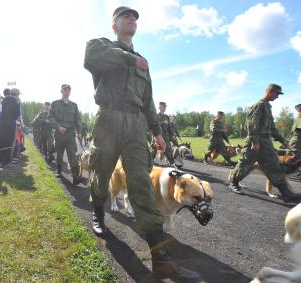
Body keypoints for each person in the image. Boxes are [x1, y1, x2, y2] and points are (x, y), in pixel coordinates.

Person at [84, 7, 202, 282]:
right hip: (109, 119)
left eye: (135, 18)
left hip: (137, 125)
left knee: (141, 184)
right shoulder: (100, 46)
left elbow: (148, 99)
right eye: (126, 17)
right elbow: (91, 58)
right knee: (101, 174)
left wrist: (157, 131)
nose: (132, 20)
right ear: (115, 26)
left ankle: (161, 260)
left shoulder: (143, 61)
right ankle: (98, 213)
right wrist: (128, 60)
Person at [228, 84, 301, 203]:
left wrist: (282, 140)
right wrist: (255, 141)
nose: (277, 97)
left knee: (274, 166)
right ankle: (233, 183)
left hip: (266, 142)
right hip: (254, 141)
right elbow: (251, 124)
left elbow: (272, 128)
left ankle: (286, 193)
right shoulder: (258, 105)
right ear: (270, 92)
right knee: (245, 163)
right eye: (277, 94)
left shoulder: (267, 107)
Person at [49, 84, 86, 185]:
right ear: (61, 91)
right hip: (59, 134)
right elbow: (50, 118)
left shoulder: (74, 105)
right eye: (65, 90)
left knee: (72, 155)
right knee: (59, 154)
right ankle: (59, 171)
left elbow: (78, 119)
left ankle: (75, 177)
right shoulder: (55, 104)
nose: (67, 92)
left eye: (69, 90)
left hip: (70, 134)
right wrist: (58, 127)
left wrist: (79, 131)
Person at [0, 88, 21, 166]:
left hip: (2, 123)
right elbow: (17, 114)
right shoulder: (16, 101)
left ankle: (0, 160)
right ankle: (7, 161)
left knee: (2, 142)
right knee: (10, 143)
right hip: (11, 124)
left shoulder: (5, 99)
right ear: (16, 94)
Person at [156, 101, 176, 166]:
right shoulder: (156, 116)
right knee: (154, 150)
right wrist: (162, 123)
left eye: (165, 107)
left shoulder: (167, 116)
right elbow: (154, 126)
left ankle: (172, 163)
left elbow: (169, 127)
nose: (165, 108)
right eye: (163, 106)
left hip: (166, 137)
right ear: (159, 107)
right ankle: (149, 163)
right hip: (158, 136)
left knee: (169, 150)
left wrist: (172, 134)